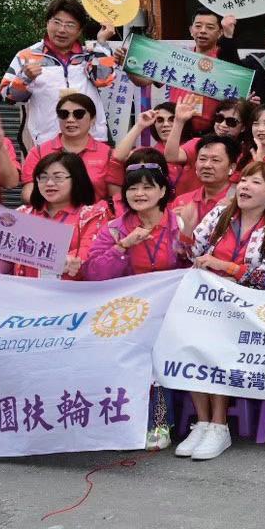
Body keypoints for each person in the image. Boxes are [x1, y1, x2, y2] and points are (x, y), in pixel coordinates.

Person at [177, 162, 265, 462]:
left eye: (256, 182)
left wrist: (228, 268)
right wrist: (186, 233)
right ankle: (202, 422)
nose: (245, 186)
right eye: (244, 180)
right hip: (211, 302)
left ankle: (219, 425)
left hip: (253, 310)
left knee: (217, 343)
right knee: (188, 341)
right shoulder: (220, 215)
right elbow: (191, 255)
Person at [84, 157, 187, 451]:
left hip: (170, 313)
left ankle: (159, 422)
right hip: (126, 314)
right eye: (133, 188)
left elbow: (191, 264)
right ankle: (121, 422)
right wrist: (123, 246)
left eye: (147, 187)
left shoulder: (179, 224)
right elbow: (94, 273)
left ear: (163, 191)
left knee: (159, 359)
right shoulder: (115, 229)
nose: (139, 193)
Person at [0, 0, 118, 145]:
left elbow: (103, 80)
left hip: (93, 140)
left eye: (70, 25)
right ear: (47, 23)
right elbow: (7, 96)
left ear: (80, 30)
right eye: (56, 22)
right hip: (48, 143)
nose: (62, 30)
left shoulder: (89, 55)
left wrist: (101, 43)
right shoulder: (27, 56)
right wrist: (24, 78)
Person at [15, 152, 106, 280]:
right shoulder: (22, 214)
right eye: (43, 177)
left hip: (71, 290)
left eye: (58, 177)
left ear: (76, 179)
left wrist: (69, 260)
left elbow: (90, 249)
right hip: (25, 289)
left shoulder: (92, 215)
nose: (49, 183)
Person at [165, 97, 250, 197]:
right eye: (219, 118)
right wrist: (179, 121)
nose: (223, 125)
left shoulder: (247, 155)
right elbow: (171, 156)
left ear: (243, 127)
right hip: (188, 203)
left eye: (231, 122)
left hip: (224, 205)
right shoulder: (199, 143)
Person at [169, 135, 240, 246]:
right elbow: (170, 246)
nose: (207, 165)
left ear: (232, 167)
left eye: (215, 160)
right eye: (202, 159)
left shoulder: (239, 200)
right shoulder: (182, 201)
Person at [109, 103, 184, 194]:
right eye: (160, 120)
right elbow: (118, 156)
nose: (165, 124)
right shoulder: (147, 153)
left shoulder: (194, 147)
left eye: (172, 119)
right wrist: (139, 125)